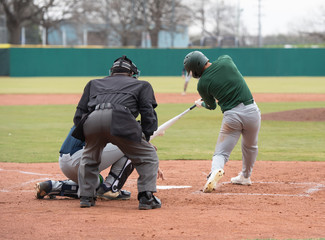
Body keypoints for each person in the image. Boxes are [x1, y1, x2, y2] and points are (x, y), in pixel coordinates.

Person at [73, 55, 161, 209]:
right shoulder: (142, 85)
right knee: (148, 156)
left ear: (111, 72)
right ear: (131, 73)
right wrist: (145, 137)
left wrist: (88, 137)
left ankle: (86, 197)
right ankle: (146, 197)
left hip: (92, 119)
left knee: (89, 156)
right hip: (120, 118)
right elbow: (148, 114)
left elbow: (79, 114)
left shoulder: (93, 83)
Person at [183, 51, 261, 193]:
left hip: (232, 116)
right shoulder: (226, 60)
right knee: (250, 146)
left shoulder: (202, 84)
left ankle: (215, 170)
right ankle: (245, 176)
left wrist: (202, 104)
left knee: (221, 153)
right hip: (252, 111)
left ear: (195, 69)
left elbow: (212, 106)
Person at [35, 125, 134, 200]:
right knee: (137, 143)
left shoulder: (91, 110)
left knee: (95, 184)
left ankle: (54, 186)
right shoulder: (112, 113)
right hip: (80, 159)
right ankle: (111, 188)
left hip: (64, 162)